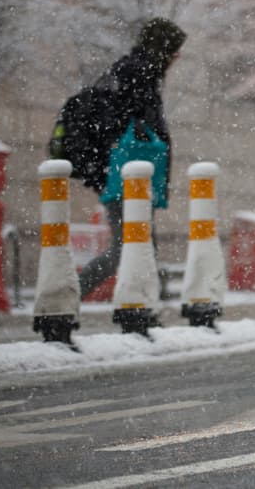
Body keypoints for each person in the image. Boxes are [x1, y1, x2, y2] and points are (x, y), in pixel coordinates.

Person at [76, 17, 186, 299]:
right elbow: (121, 125)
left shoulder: (140, 73)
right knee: (126, 248)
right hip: (128, 178)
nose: (177, 56)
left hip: (133, 177)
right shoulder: (136, 73)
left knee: (143, 245)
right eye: (174, 49)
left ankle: (144, 306)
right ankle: (70, 294)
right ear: (162, 48)